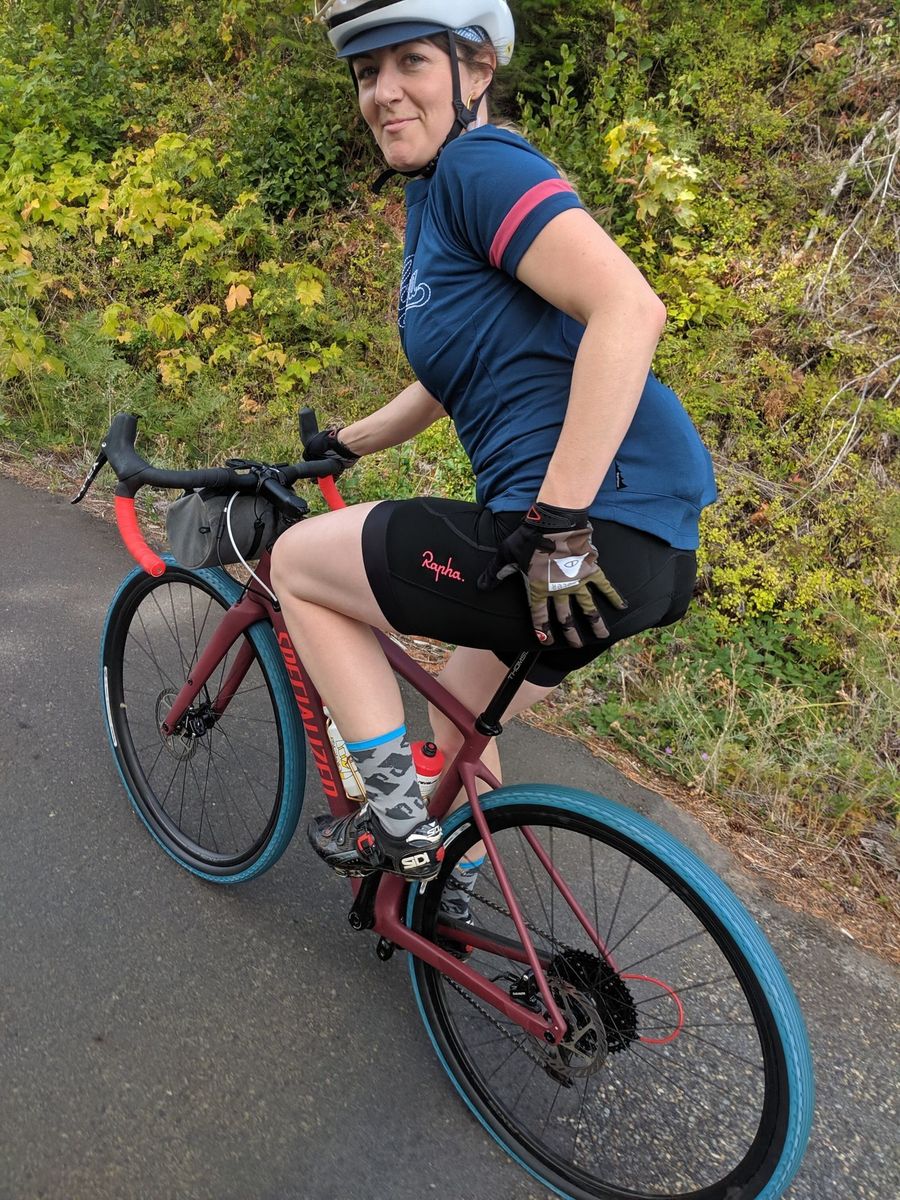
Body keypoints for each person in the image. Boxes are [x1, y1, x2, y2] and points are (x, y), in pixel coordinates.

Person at [270, 0, 717, 904]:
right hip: (645, 552)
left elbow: (631, 309)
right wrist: (345, 444)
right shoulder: (435, 198)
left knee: (297, 565)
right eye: (366, 72)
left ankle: (395, 821)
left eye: (410, 62)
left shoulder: (481, 164)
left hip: (580, 535)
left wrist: (558, 523)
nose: (384, 91)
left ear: (474, 70)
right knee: (457, 716)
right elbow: (455, 374)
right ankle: (458, 894)